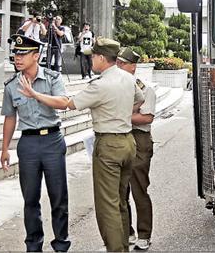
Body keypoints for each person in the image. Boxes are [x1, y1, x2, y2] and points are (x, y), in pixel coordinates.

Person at [34, 37, 144, 251]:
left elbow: (69, 104)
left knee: (107, 206)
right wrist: (120, 113)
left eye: (93, 56)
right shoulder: (128, 78)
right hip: (128, 142)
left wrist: (34, 94)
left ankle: (115, 249)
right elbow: (139, 99)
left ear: (102, 58)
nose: (91, 60)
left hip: (109, 145)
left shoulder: (100, 85)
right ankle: (122, 246)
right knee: (120, 200)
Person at [1, 34, 71, 252]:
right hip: (28, 144)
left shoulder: (52, 78)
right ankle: (33, 245)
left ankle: (61, 244)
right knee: (30, 199)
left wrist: (34, 94)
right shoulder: (12, 85)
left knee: (58, 197)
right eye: (15, 54)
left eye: (22, 54)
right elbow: (10, 117)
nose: (17, 58)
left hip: (52, 140)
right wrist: (4, 149)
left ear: (36, 55)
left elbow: (63, 103)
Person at [116, 47, 156, 251]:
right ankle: (127, 232)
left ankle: (144, 234)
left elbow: (147, 117)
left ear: (133, 67)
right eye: (117, 63)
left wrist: (119, 115)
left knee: (139, 189)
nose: (119, 66)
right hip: (119, 138)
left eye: (123, 63)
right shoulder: (114, 86)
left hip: (139, 139)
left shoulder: (144, 88)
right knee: (120, 190)